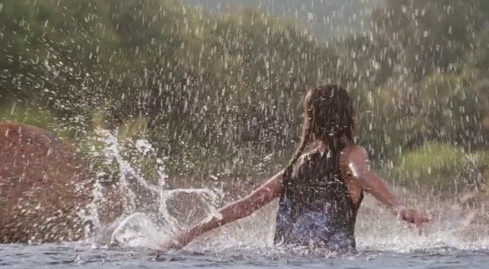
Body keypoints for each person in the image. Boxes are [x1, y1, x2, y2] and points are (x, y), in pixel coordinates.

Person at [160, 83, 430, 252]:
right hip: (334, 268)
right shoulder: (350, 155)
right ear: (349, 118)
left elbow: (246, 204)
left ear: (310, 121)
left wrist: (188, 234)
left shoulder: (296, 167)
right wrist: (398, 207)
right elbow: (363, 176)